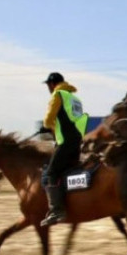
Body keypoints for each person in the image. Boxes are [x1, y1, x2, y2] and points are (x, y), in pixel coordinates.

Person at [39, 72, 90, 227]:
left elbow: (48, 119)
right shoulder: (74, 99)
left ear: (52, 84)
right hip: (77, 141)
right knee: (68, 171)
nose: (48, 88)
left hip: (65, 142)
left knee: (51, 173)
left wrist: (47, 126)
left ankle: (56, 211)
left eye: (48, 85)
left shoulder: (58, 94)